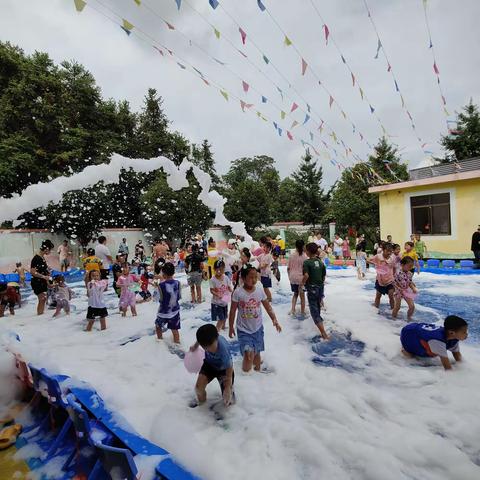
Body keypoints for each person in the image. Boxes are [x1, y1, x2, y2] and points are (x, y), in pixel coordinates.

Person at [228, 265, 281, 373]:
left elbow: (268, 307)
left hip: (257, 329)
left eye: (255, 277)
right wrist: (230, 327)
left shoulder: (259, 291)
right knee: (248, 354)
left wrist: (274, 320)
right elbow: (233, 311)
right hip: (243, 330)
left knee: (257, 352)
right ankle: (246, 377)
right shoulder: (238, 292)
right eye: (251, 277)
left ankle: (257, 376)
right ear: (243, 278)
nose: (254, 280)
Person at [190, 324, 234, 407]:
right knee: (198, 388)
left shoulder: (223, 350)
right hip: (209, 365)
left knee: (228, 400)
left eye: (211, 346)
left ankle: (229, 413)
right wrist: (195, 346)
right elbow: (200, 340)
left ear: (217, 338)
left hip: (224, 369)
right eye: (205, 347)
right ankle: (202, 407)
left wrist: (228, 387)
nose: (208, 349)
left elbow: (229, 366)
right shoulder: (205, 340)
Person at [400, 316, 468, 370]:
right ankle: (405, 350)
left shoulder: (453, 338)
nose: (467, 334)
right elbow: (447, 368)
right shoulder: (438, 341)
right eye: (464, 332)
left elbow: (457, 356)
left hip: (418, 329)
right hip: (409, 334)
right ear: (452, 333)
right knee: (418, 358)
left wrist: (463, 367)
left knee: (434, 352)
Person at [301, 243, 329, 339]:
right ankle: (320, 323)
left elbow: (306, 276)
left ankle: (323, 333)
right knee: (318, 305)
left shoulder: (307, 263)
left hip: (312, 288)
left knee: (313, 310)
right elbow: (324, 276)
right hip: (320, 287)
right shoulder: (320, 262)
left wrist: (301, 284)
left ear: (308, 252)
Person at [155, 262, 181, 343]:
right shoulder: (178, 283)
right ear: (173, 272)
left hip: (163, 312)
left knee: (158, 326)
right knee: (175, 330)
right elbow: (179, 297)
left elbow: (157, 299)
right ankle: (177, 343)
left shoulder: (160, 286)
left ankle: (160, 341)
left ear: (163, 274)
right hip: (175, 311)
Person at [367, 242, 395, 309]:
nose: (389, 253)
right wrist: (376, 264)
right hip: (380, 280)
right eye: (387, 251)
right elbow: (368, 260)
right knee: (378, 296)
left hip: (390, 280)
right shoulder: (378, 256)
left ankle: (393, 311)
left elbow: (394, 268)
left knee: (391, 296)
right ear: (383, 249)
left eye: (390, 251)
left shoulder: (392, 258)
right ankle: (375, 311)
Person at [30, 240, 54, 316]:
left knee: (43, 299)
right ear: (46, 249)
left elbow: (42, 270)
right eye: (50, 250)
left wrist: (48, 270)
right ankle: (39, 317)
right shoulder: (36, 258)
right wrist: (44, 276)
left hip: (41, 282)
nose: (50, 252)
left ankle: (41, 317)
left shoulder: (42, 258)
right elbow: (33, 272)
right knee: (42, 298)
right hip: (37, 282)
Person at [209, 260, 232, 331]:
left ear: (224, 269)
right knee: (221, 319)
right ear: (214, 269)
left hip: (225, 299)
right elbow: (211, 290)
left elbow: (228, 287)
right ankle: (217, 331)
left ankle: (223, 328)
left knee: (225, 316)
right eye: (217, 270)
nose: (219, 271)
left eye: (221, 270)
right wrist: (217, 294)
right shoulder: (212, 280)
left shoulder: (226, 278)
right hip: (217, 302)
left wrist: (232, 291)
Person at [287, 239, 308, 316]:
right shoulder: (305, 256)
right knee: (302, 296)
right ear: (303, 246)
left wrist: (289, 277)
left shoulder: (291, 255)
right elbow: (306, 271)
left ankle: (293, 309)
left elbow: (288, 268)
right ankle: (302, 312)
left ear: (295, 246)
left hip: (292, 277)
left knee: (295, 294)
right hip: (301, 279)